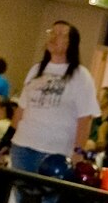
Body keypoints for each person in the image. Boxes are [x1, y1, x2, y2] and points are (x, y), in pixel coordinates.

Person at [9, 20, 99, 177]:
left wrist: (78, 151)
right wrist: (7, 138)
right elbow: (21, 109)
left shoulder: (80, 75)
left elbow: (84, 118)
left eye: (61, 34)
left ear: (71, 43)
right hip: (23, 144)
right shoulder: (36, 70)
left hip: (55, 150)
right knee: (20, 194)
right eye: (52, 32)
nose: (54, 37)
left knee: (47, 198)